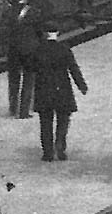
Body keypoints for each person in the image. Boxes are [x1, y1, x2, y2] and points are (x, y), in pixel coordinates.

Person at [0, 0, 54, 118]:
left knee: (13, 79)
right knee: (29, 78)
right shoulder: (32, 12)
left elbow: (2, 31)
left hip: (13, 49)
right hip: (30, 49)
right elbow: (40, 29)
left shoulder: (8, 12)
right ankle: (23, 111)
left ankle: (12, 108)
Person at [31, 20, 87, 162]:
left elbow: (31, 68)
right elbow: (73, 69)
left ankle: (48, 152)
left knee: (45, 122)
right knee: (63, 121)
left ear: (44, 34)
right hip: (62, 89)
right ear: (57, 33)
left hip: (44, 90)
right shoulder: (64, 49)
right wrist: (82, 86)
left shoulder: (38, 50)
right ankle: (60, 148)